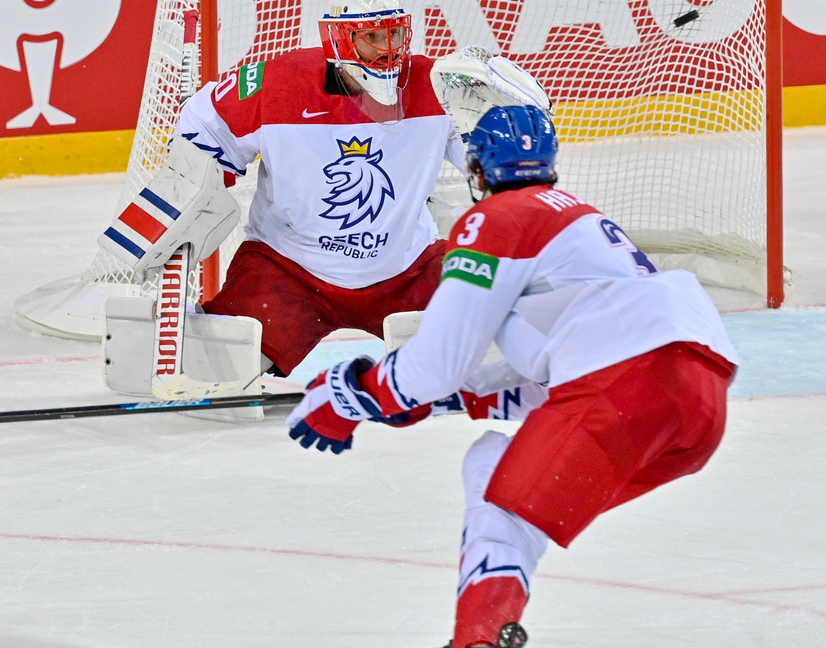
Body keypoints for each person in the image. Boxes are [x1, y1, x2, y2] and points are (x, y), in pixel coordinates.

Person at [285, 104, 739, 647]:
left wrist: (353, 394)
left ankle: (476, 638)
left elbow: (438, 363)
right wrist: (453, 399)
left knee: (499, 503)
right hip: (696, 410)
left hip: (625, 386)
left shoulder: (498, 219)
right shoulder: (581, 222)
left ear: (478, 170)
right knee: (500, 478)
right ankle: (483, 633)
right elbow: (564, 374)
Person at [103, 0, 551, 405]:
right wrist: (197, 180)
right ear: (339, 41)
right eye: (372, 37)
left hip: (407, 269)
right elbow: (204, 125)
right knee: (219, 366)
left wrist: (513, 122)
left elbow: (497, 169)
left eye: (396, 34)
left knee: (494, 350)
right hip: (290, 272)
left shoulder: (436, 86)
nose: (389, 49)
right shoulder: (277, 84)